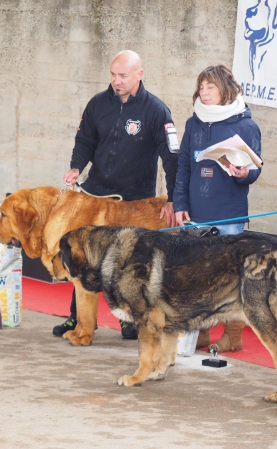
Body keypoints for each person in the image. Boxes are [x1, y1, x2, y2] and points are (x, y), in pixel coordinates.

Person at [52, 50, 179, 340]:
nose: (116, 81)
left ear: (139, 75)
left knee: (125, 262)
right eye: (113, 74)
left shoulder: (157, 111)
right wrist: (76, 167)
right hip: (95, 196)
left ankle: (128, 320)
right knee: (82, 259)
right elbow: (84, 140)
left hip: (133, 203)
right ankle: (78, 319)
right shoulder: (97, 104)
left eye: (122, 75)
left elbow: (171, 158)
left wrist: (173, 198)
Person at [173, 65, 262, 353]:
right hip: (195, 211)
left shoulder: (246, 125)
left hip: (228, 212)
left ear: (225, 89)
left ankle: (233, 334)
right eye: (201, 87)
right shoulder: (194, 122)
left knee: (227, 277)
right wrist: (180, 203)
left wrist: (242, 174)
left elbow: (255, 170)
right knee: (195, 276)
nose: (204, 92)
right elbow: (184, 165)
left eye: (210, 87)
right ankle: (198, 334)